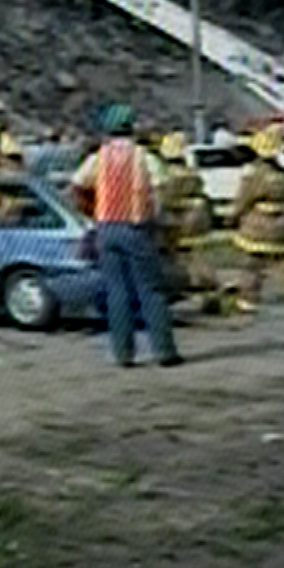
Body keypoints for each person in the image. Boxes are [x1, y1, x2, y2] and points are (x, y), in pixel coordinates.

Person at [70, 103, 182, 369]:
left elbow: (77, 185)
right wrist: (156, 216)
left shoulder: (98, 157)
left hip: (106, 227)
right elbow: (162, 189)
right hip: (135, 227)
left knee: (116, 291)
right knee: (150, 290)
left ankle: (123, 353)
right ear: (132, 127)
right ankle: (164, 351)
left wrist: (92, 210)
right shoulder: (144, 156)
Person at [226, 124, 284, 318]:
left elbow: (244, 200)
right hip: (283, 224)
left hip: (258, 225)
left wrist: (232, 217)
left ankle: (247, 299)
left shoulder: (254, 176)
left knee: (253, 263)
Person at [156, 133, 220, 313]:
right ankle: (210, 291)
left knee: (177, 257)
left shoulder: (167, 175)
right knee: (198, 257)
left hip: (177, 220)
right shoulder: (191, 172)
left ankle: (183, 288)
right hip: (198, 218)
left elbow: (163, 200)